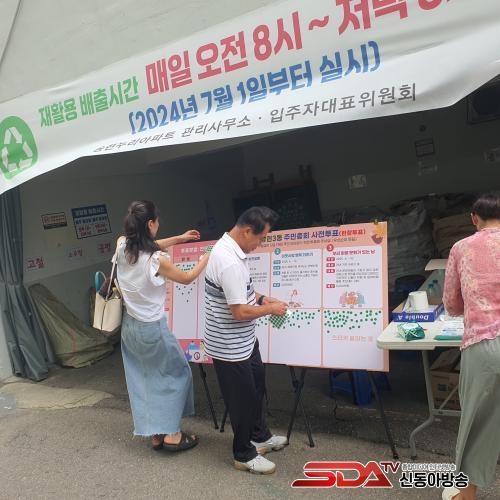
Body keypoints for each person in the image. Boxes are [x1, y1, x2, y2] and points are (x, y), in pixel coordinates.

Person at [116, 200, 208, 452]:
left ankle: (155, 433)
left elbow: (145, 244)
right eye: (157, 221)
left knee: (145, 379)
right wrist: (205, 259)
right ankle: (173, 434)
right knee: (177, 374)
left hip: (129, 328)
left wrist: (179, 238)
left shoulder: (122, 245)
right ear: (150, 224)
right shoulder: (156, 260)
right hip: (152, 329)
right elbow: (186, 278)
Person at [203, 206, 289, 475]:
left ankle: (260, 437)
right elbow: (239, 311)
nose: (260, 244)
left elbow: (242, 291)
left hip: (245, 341)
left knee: (256, 389)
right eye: (261, 238)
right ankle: (243, 454)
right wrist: (271, 309)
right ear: (247, 231)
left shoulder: (232, 250)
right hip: (229, 346)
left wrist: (262, 299)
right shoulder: (228, 260)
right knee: (242, 400)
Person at [441, 193, 500, 500]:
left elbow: (451, 304)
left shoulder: (462, 248)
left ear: (474, 218)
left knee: (476, 426)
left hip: (484, 345)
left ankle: (465, 496)